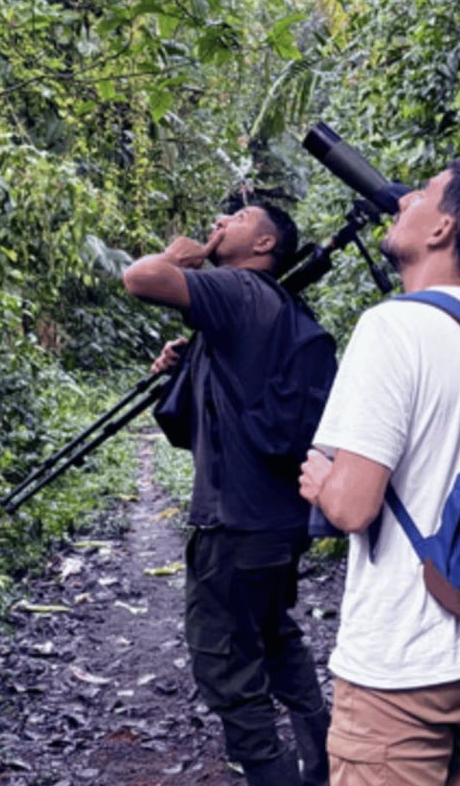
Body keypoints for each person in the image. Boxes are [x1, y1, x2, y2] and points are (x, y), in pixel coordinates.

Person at [297, 157, 460, 786]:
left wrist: (322, 482)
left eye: (423, 193)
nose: (402, 199)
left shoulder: (393, 327)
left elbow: (352, 507)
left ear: (442, 230)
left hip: (404, 665)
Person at [122, 202, 331, 786]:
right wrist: (181, 369)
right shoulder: (279, 307)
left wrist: (178, 257)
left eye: (237, 217)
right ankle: (325, 765)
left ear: (264, 245)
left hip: (234, 526)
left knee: (227, 666)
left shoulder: (238, 289)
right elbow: (213, 426)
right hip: (275, 521)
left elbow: (139, 277)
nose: (221, 221)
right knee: (273, 635)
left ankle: (276, 777)